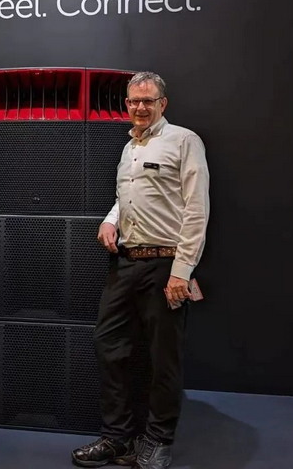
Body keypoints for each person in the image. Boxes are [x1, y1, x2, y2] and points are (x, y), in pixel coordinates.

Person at [71, 72, 210, 469]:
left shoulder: (184, 141)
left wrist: (182, 271)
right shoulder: (129, 145)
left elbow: (197, 210)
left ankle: (158, 440)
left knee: (163, 358)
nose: (140, 107)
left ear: (163, 103)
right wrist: (110, 219)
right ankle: (117, 438)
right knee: (109, 347)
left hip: (166, 265)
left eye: (148, 101)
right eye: (134, 101)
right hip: (126, 262)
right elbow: (127, 196)